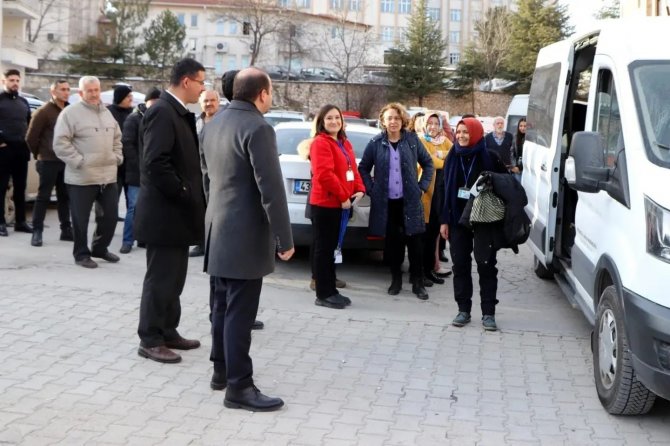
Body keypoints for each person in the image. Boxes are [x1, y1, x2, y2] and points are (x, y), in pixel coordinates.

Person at [201, 67, 294, 412]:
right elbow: (271, 189)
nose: (271, 97)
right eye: (271, 91)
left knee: (221, 307)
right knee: (239, 312)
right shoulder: (258, 127)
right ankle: (239, 387)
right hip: (243, 235)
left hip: (217, 229)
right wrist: (285, 238)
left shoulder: (213, 124)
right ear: (262, 94)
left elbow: (207, 179)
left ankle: (221, 372)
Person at [134, 58, 207, 364]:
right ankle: (150, 338)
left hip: (177, 215)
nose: (204, 89)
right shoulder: (163, 112)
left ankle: (167, 329)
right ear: (187, 81)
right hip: (165, 214)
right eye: (201, 82)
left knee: (174, 277)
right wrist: (182, 190)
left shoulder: (177, 112)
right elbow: (155, 162)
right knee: (160, 278)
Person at [358, 103, 434, 300]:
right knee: (393, 245)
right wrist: (372, 189)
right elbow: (363, 168)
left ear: (402, 121)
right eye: (390, 118)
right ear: (383, 121)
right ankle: (396, 280)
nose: (393, 122)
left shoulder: (412, 140)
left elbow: (428, 164)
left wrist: (422, 187)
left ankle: (418, 282)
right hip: (387, 203)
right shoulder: (375, 143)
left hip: (410, 201)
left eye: (397, 118)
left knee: (415, 243)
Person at [439, 117, 508, 331]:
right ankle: (463, 310)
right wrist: (443, 220)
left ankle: (488, 313)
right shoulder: (452, 156)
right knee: (460, 265)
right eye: (458, 132)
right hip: (458, 221)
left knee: (486, 266)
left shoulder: (491, 157)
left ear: (476, 133)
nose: (461, 135)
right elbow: (443, 188)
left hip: (484, 222)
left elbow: (505, 187)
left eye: (465, 132)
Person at [53, 76, 122, 268]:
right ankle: (81, 254)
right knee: (80, 220)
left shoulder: (107, 113)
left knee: (109, 216)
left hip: (107, 176)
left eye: (96, 90)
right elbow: (60, 143)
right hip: (81, 178)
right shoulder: (70, 113)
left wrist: (117, 156)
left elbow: (117, 138)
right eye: (89, 90)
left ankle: (100, 249)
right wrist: (79, 161)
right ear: (81, 93)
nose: (93, 94)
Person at [308, 104, 365, 309]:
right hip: (326, 204)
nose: (334, 121)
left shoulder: (343, 142)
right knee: (324, 250)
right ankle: (323, 294)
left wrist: (359, 188)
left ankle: (331, 289)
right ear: (322, 122)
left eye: (337, 118)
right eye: (329, 118)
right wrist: (343, 196)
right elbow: (324, 174)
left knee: (332, 248)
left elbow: (353, 169)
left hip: (342, 203)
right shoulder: (320, 143)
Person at [26, 79, 73, 246]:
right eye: (62, 89)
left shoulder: (69, 110)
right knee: (43, 197)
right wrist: (40, 155)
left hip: (65, 160)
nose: (66, 92)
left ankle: (66, 230)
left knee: (64, 196)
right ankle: (37, 231)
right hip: (48, 160)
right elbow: (31, 138)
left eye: (68, 89)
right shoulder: (43, 111)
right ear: (53, 92)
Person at [118, 87, 161, 254]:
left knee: (149, 208)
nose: (156, 105)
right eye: (154, 101)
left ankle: (143, 238)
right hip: (136, 172)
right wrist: (140, 165)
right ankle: (127, 241)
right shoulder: (133, 119)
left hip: (152, 172)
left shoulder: (157, 118)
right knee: (133, 207)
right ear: (147, 101)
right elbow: (127, 144)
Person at [417, 112, 453, 285]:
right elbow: (429, 162)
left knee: (433, 236)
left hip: (440, 195)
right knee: (422, 237)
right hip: (425, 196)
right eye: (429, 123)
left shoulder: (444, 140)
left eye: (435, 123)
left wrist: (441, 154)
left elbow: (454, 153)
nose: (432, 126)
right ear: (425, 125)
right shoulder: (421, 141)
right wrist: (441, 156)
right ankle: (420, 273)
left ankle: (430, 270)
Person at [0, 69, 33, 237]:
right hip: (4, 151)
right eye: (11, 80)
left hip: (21, 150)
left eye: (17, 80)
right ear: (4, 81)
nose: (14, 83)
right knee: (1, 187)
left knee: (20, 188)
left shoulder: (23, 102)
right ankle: (1, 223)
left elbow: (28, 124)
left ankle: (20, 222)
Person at [189, 89, 222, 258]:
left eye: (212, 100)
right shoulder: (196, 122)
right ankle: (202, 243)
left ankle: (215, 243)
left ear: (218, 101)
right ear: (200, 104)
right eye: (205, 101)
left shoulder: (224, 122)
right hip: (198, 173)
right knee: (201, 209)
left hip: (217, 173)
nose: (209, 104)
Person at [108, 85, 134, 211]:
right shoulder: (108, 113)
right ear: (120, 97)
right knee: (111, 200)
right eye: (128, 96)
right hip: (114, 164)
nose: (131, 99)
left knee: (132, 201)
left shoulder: (133, 113)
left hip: (130, 164)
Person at [510, 117, 526, 182]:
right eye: (521, 126)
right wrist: (513, 166)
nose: (522, 128)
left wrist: (520, 167)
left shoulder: (531, 138)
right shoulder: (516, 136)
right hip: (516, 168)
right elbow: (512, 152)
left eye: (525, 126)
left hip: (525, 169)